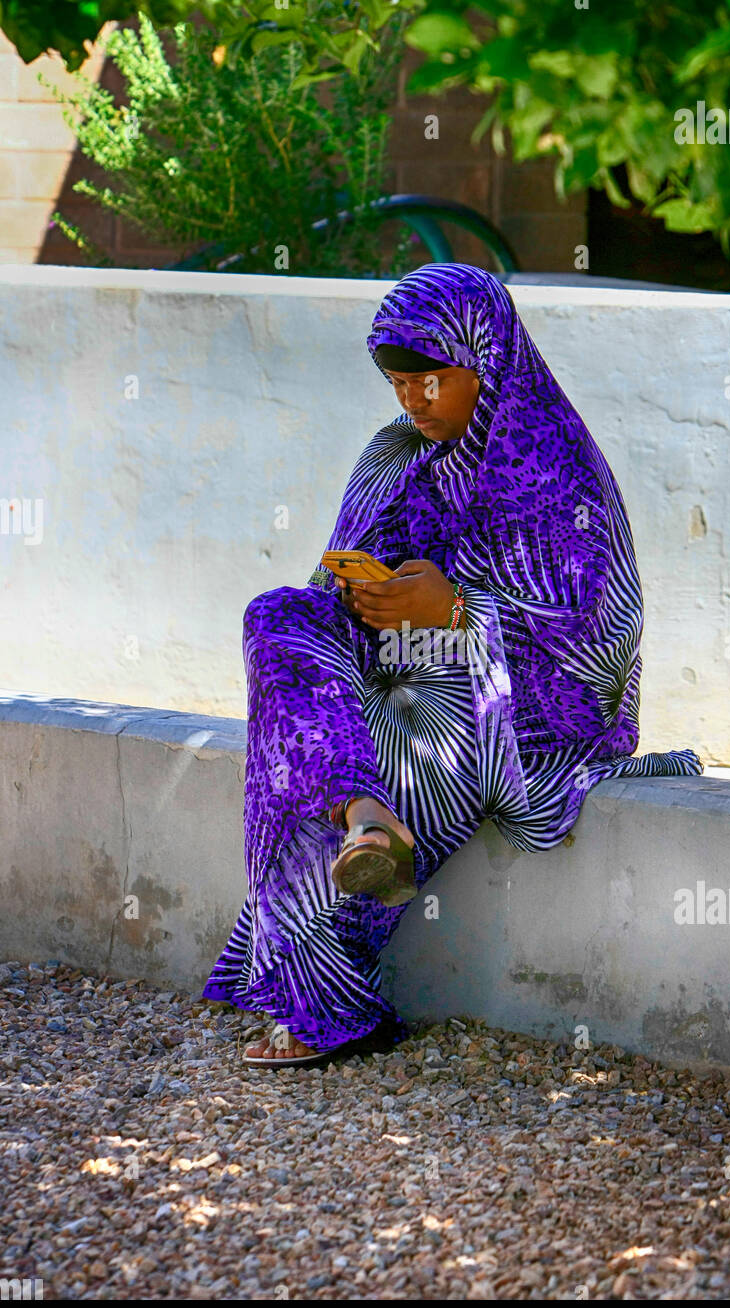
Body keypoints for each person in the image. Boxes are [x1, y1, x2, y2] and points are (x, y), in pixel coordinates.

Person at [202, 262, 703, 1066]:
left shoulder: (554, 469)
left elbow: (602, 638)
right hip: (399, 669)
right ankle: (365, 815)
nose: (413, 401)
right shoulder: (395, 455)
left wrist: (459, 611)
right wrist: (367, 598)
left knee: (386, 749)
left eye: (431, 380)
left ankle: (330, 998)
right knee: (277, 618)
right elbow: (331, 585)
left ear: (488, 361)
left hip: (518, 706)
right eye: (399, 383)